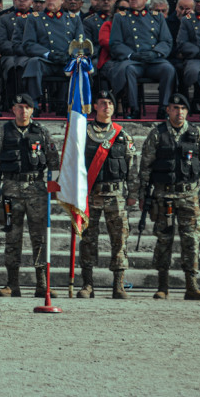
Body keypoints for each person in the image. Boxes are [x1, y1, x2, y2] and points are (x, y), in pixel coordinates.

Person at [136, 94, 200, 300]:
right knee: (164, 240)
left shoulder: (197, 134)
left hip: (189, 195)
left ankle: (192, 286)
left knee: (191, 241)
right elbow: (145, 167)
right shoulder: (156, 134)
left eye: (182, 108)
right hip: (163, 195)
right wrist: (143, 195)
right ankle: (162, 286)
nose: (179, 112)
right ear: (168, 110)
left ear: (187, 112)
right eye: (175, 108)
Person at [0, 94, 59, 298]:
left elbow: (54, 161)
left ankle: (42, 284)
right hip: (10, 191)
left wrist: (53, 187)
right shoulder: (3, 132)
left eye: (27, 107)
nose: (23, 111)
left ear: (33, 110)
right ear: (13, 109)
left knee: (39, 238)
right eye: (19, 107)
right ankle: (12, 284)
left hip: (37, 191)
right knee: (12, 237)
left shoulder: (42, 132)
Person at [77, 90, 137, 299]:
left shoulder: (122, 135)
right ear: (95, 106)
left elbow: (132, 167)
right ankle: (88, 284)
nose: (107, 107)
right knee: (88, 240)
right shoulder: (82, 133)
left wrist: (133, 194)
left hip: (116, 196)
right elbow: (72, 164)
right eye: (102, 103)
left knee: (119, 239)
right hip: (90, 195)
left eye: (110, 103)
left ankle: (118, 285)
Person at [107, 0, 176, 120]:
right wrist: (132, 54)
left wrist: (155, 52)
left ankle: (163, 108)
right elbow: (115, 43)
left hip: (154, 61)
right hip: (134, 62)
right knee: (128, 71)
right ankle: (134, 108)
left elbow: (166, 41)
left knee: (169, 69)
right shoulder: (121, 17)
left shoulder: (157, 17)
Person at [20, 0, 83, 113]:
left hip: (66, 60)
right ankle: (34, 103)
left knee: (80, 64)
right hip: (46, 61)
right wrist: (48, 54)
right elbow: (28, 44)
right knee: (33, 63)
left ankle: (69, 103)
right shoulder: (35, 18)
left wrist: (71, 54)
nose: (50, 0)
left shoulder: (73, 19)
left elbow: (80, 43)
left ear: (62, 0)